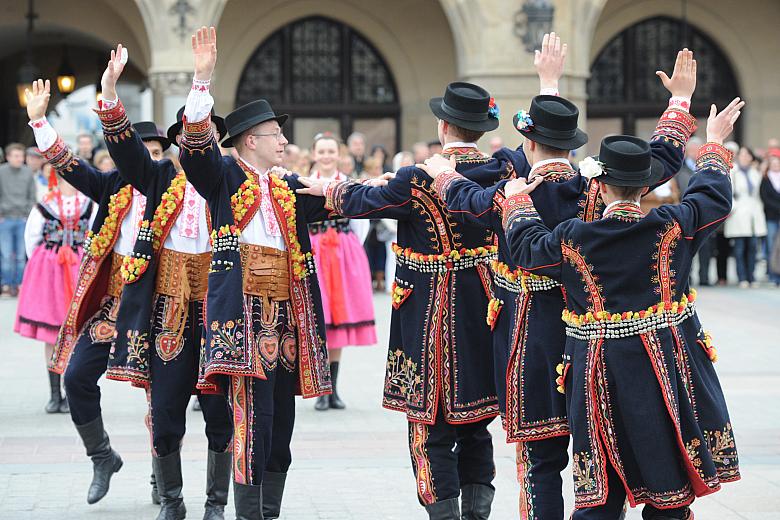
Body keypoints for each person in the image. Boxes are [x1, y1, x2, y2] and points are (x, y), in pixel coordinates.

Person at [424, 96, 744, 520]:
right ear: (644, 186)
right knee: (664, 471)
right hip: (661, 366)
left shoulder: (576, 239)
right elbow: (712, 198)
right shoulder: (672, 226)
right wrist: (714, 143)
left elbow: (528, 247)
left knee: (587, 479)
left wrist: (514, 202)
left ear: (602, 184)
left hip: (590, 367)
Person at [299, 81, 509, 519]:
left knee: (428, 426)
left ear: (443, 126)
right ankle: (476, 513)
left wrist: (330, 190)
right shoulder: (499, 171)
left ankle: (444, 513)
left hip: (427, 312)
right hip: (480, 307)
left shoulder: (418, 178)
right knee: (476, 421)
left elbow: (366, 201)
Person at [178, 27, 345, 519]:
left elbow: (338, 200)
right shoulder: (225, 176)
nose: (285, 142)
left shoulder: (286, 185)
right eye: (277, 134)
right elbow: (195, 151)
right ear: (251, 140)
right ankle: (249, 514)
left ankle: (269, 511)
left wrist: (390, 187)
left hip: (286, 315)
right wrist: (202, 80)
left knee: (281, 425)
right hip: (244, 313)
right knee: (253, 421)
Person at [95, 45, 233, 520]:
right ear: (180, 144)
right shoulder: (158, 180)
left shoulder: (231, 182)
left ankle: (216, 504)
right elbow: (126, 151)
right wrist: (110, 92)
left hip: (217, 309)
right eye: (194, 136)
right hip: (170, 307)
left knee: (220, 411)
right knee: (168, 407)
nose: (202, 145)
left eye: (210, 136)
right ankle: (172, 501)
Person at [25, 78, 149, 506]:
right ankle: (102, 456)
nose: (145, 158)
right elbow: (67, 163)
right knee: (77, 377)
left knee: (164, 396)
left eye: (153, 151)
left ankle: (165, 480)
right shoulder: (110, 185)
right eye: (139, 150)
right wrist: (39, 122)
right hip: (112, 303)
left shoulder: (174, 188)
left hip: (159, 303)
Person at [307, 133, 376, 411]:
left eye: (331, 151)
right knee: (319, 318)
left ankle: (333, 389)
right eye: (321, 151)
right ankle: (321, 388)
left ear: (338, 154)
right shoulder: (304, 183)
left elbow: (361, 222)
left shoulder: (347, 184)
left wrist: (350, 249)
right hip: (314, 252)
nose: (326, 156)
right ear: (314, 154)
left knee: (338, 319)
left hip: (342, 253)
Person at [14, 170, 93, 413]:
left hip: (78, 267)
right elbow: (32, 237)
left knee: (75, 332)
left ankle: (70, 394)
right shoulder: (45, 204)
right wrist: (42, 264)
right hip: (51, 271)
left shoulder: (89, 203)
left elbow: (96, 233)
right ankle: (55, 394)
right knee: (52, 334)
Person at [725, 145, 767, 287]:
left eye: (747, 155)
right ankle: (742, 277)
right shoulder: (733, 172)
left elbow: (759, 193)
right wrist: (734, 208)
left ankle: (751, 277)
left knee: (753, 247)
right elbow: (728, 192)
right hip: (738, 213)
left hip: (754, 213)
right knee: (739, 248)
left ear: (751, 158)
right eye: (742, 155)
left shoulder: (755, 173)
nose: (744, 157)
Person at [0, 143, 37, 297]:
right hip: (5, 219)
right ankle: (7, 284)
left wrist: (28, 215)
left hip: (23, 219)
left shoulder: (28, 173)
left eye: (21, 156)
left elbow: (32, 196)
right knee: (6, 255)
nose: (19, 159)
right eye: (16, 156)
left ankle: (20, 284)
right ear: (8, 157)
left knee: (22, 255)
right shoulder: (1, 172)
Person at [760, 150, 780, 285]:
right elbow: (765, 198)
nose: (776, 166)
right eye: (773, 164)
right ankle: (772, 275)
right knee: (771, 245)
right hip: (771, 217)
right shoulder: (766, 179)